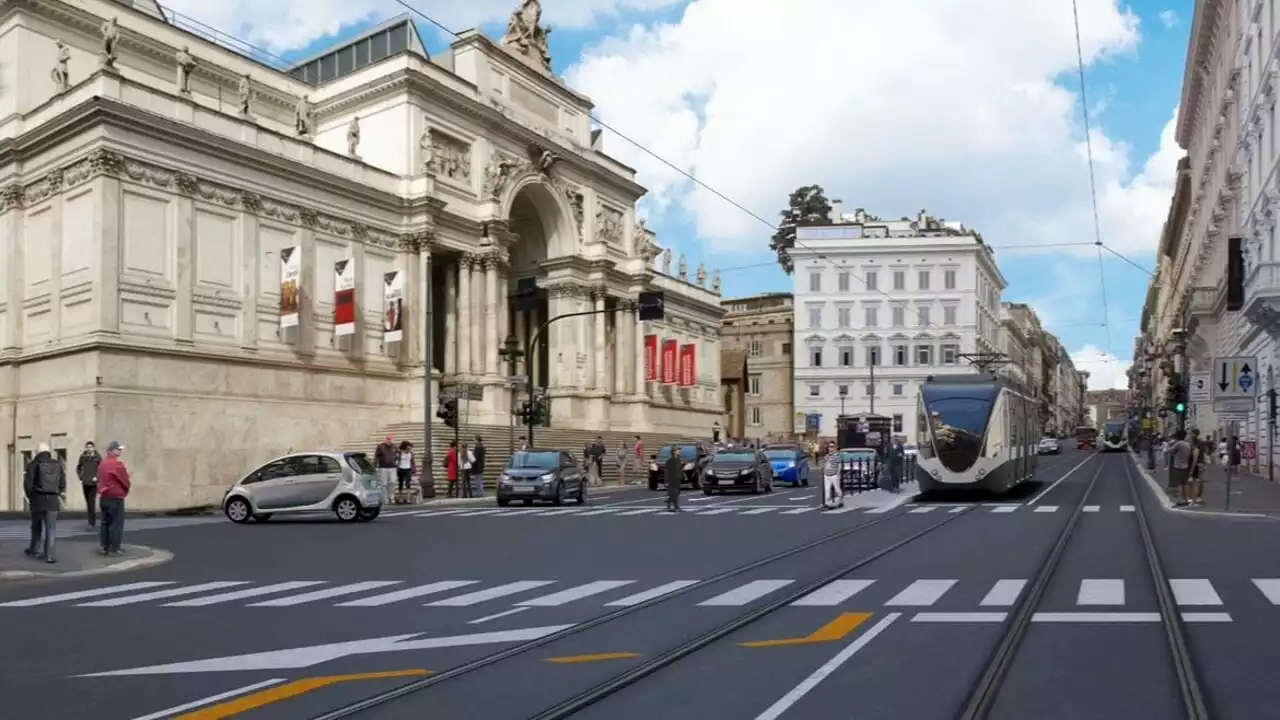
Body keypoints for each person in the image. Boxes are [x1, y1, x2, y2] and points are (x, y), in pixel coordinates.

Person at [23, 443, 65, 564]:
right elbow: (62, 483)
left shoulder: (32, 465)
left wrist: (31, 497)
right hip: (53, 501)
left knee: (36, 527)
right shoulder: (57, 464)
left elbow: (28, 485)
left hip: (37, 500)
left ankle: (34, 549)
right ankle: (49, 556)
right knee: (51, 529)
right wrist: (56, 493)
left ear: (38, 452)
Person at [96, 440, 130, 556]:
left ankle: (104, 546)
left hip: (104, 496)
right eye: (118, 449)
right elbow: (125, 481)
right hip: (115, 497)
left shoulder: (102, 464)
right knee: (116, 523)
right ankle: (114, 548)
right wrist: (125, 491)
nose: (120, 451)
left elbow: (99, 478)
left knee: (105, 522)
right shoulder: (117, 464)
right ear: (113, 450)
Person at [76, 441, 102, 530]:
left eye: (91, 447)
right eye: (88, 447)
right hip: (85, 482)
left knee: (92, 502)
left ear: (94, 448)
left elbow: (101, 470)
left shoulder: (97, 458)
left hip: (93, 483)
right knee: (88, 503)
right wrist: (81, 476)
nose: (89, 449)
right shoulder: (83, 457)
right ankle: (90, 521)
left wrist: (97, 478)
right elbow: (78, 468)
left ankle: (92, 523)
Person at [1167, 430, 1191, 508]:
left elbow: (1169, 451)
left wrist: (1169, 444)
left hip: (1178, 466)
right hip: (1185, 465)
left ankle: (1180, 501)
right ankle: (1186, 500)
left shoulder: (1179, 443)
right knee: (1185, 484)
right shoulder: (1187, 444)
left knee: (1179, 484)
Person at [821, 441, 843, 509]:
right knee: (827, 489)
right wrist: (824, 471)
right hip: (827, 475)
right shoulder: (826, 456)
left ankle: (840, 501)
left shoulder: (837, 456)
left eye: (832, 447)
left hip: (834, 475)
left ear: (835, 447)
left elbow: (839, 465)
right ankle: (827, 503)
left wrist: (838, 473)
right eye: (829, 447)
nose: (830, 448)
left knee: (837, 489)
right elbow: (824, 464)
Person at [374, 435, 397, 500]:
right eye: (388, 439)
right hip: (383, 467)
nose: (390, 441)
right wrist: (375, 464)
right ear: (386, 440)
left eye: (391, 440)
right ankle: (385, 498)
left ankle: (391, 497)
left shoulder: (394, 446)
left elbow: (397, 454)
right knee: (384, 483)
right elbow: (376, 456)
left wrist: (397, 459)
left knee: (392, 482)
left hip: (392, 467)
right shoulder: (380, 446)